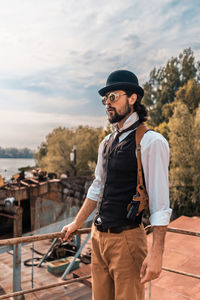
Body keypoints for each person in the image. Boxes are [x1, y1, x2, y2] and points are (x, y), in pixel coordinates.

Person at [61, 70, 172, 300]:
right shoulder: (107, 142)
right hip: (98, 239)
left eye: (113, 97)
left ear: (132, 98)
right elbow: (97, 187)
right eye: (105, 99)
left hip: (127, 241)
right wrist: (77, 223)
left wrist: (157, 253)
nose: (107, 104)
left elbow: (160, 206)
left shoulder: (151, 142)